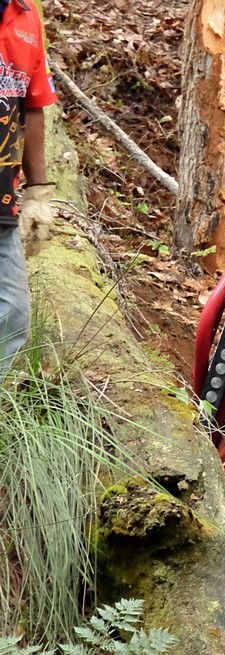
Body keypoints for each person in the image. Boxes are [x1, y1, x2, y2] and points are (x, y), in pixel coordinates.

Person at [0, 0, 56, 379]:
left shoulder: (27, 14)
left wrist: (38, 194)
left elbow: (33, 105)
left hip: (2, 198)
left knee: (13, 313)